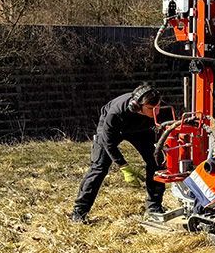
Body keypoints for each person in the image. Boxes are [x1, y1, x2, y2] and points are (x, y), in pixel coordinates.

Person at [70, 84, 165, 223]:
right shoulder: (116, 112)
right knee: (99, 167)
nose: (156, 111)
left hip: (140, 130)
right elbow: (108, 143)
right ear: (136, 106)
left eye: (158, 107)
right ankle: (79, 212)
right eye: (151, 109)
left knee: (156, 162)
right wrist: (123, 166)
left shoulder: (158, 107)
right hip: (114, 130)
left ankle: (154, 207)